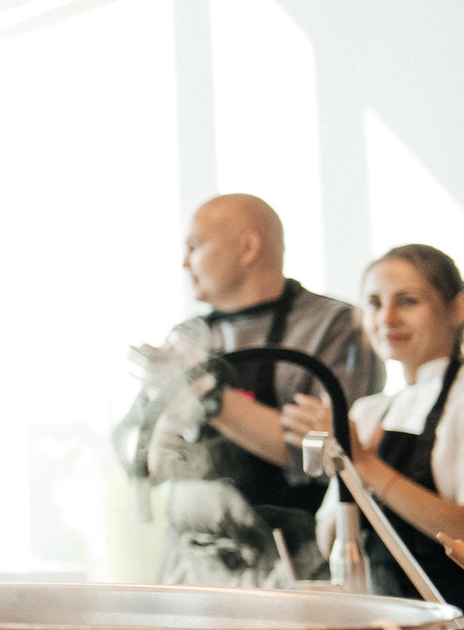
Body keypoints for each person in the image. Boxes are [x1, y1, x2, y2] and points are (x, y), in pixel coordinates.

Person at [117, 194, 379, 586]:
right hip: (187, 572)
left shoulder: (332, 328)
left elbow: (324, 455)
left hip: (285, 572)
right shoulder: (189, 336)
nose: (184, 262)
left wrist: (210, 398)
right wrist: (159, 434)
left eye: (195, 246)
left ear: (247, 248)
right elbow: (140, 459)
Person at [295, 245, 464, 613]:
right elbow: (329, 541)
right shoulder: (367, 412)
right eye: (375, 304)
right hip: (387, 622)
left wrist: (365, 465)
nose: (387, 317)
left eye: (408, 301)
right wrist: (343, 473)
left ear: (458, 308)